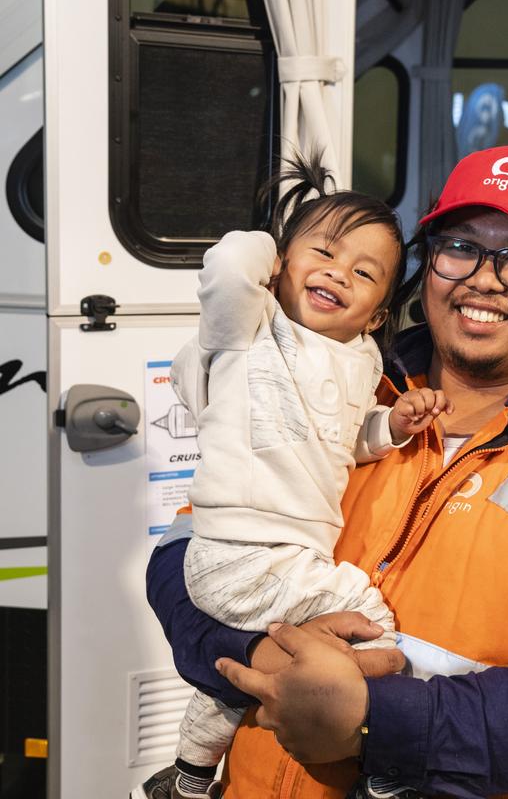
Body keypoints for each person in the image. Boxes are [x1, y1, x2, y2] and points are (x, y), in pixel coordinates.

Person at [143, 145, 508, 799]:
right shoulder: (345, 395)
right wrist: (267, 661)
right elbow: (179, 564)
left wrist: (371, 722)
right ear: (428, 271)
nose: (484, 278)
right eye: (460, 248)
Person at [132, 156, 453, 799]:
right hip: (240, 549)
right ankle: (386, 759)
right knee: (370, 617)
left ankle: (190, 775)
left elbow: (346, 441)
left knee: (236, 672)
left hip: (282, 555)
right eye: (324, 253)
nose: (339, 272)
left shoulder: (361, 360)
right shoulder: (248, 332)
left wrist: (391, 427)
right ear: (278, 268)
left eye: (364, 274)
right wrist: (262, 246)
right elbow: (226, 272)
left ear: (374, 318)